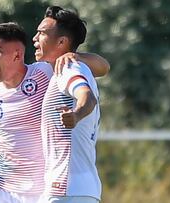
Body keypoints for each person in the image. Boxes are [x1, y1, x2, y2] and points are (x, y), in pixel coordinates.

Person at [34, 6, 102, 203]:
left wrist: (76, 114)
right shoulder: (71, 66)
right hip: (82, 188)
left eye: (42, 33)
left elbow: (87, 97)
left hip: (65, 187)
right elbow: (103, 66)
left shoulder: (68, 67)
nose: (35, 38)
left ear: (62, 42)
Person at [0, 22, 53, 203]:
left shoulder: (44, 73)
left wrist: (72, 57)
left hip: (41, 190)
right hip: (4, 190)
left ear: (17, 54)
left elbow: (102, 67)